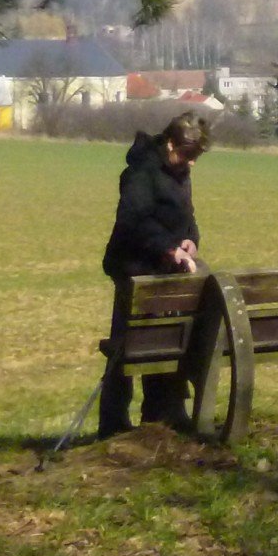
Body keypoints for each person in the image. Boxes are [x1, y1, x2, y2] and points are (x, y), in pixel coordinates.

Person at [97, 111, 209, 437]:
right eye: (189, 155)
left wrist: (191, 241)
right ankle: (114, 422)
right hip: (134, 269)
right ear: (171, 143)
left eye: (197, 157)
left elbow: (187, 215)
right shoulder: (141, 172)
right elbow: (133, 223)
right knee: (128, 346)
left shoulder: (178, 170)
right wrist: (169, 249)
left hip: (167, 272)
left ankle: (163, 414)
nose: (192, 164)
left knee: (168, 338)